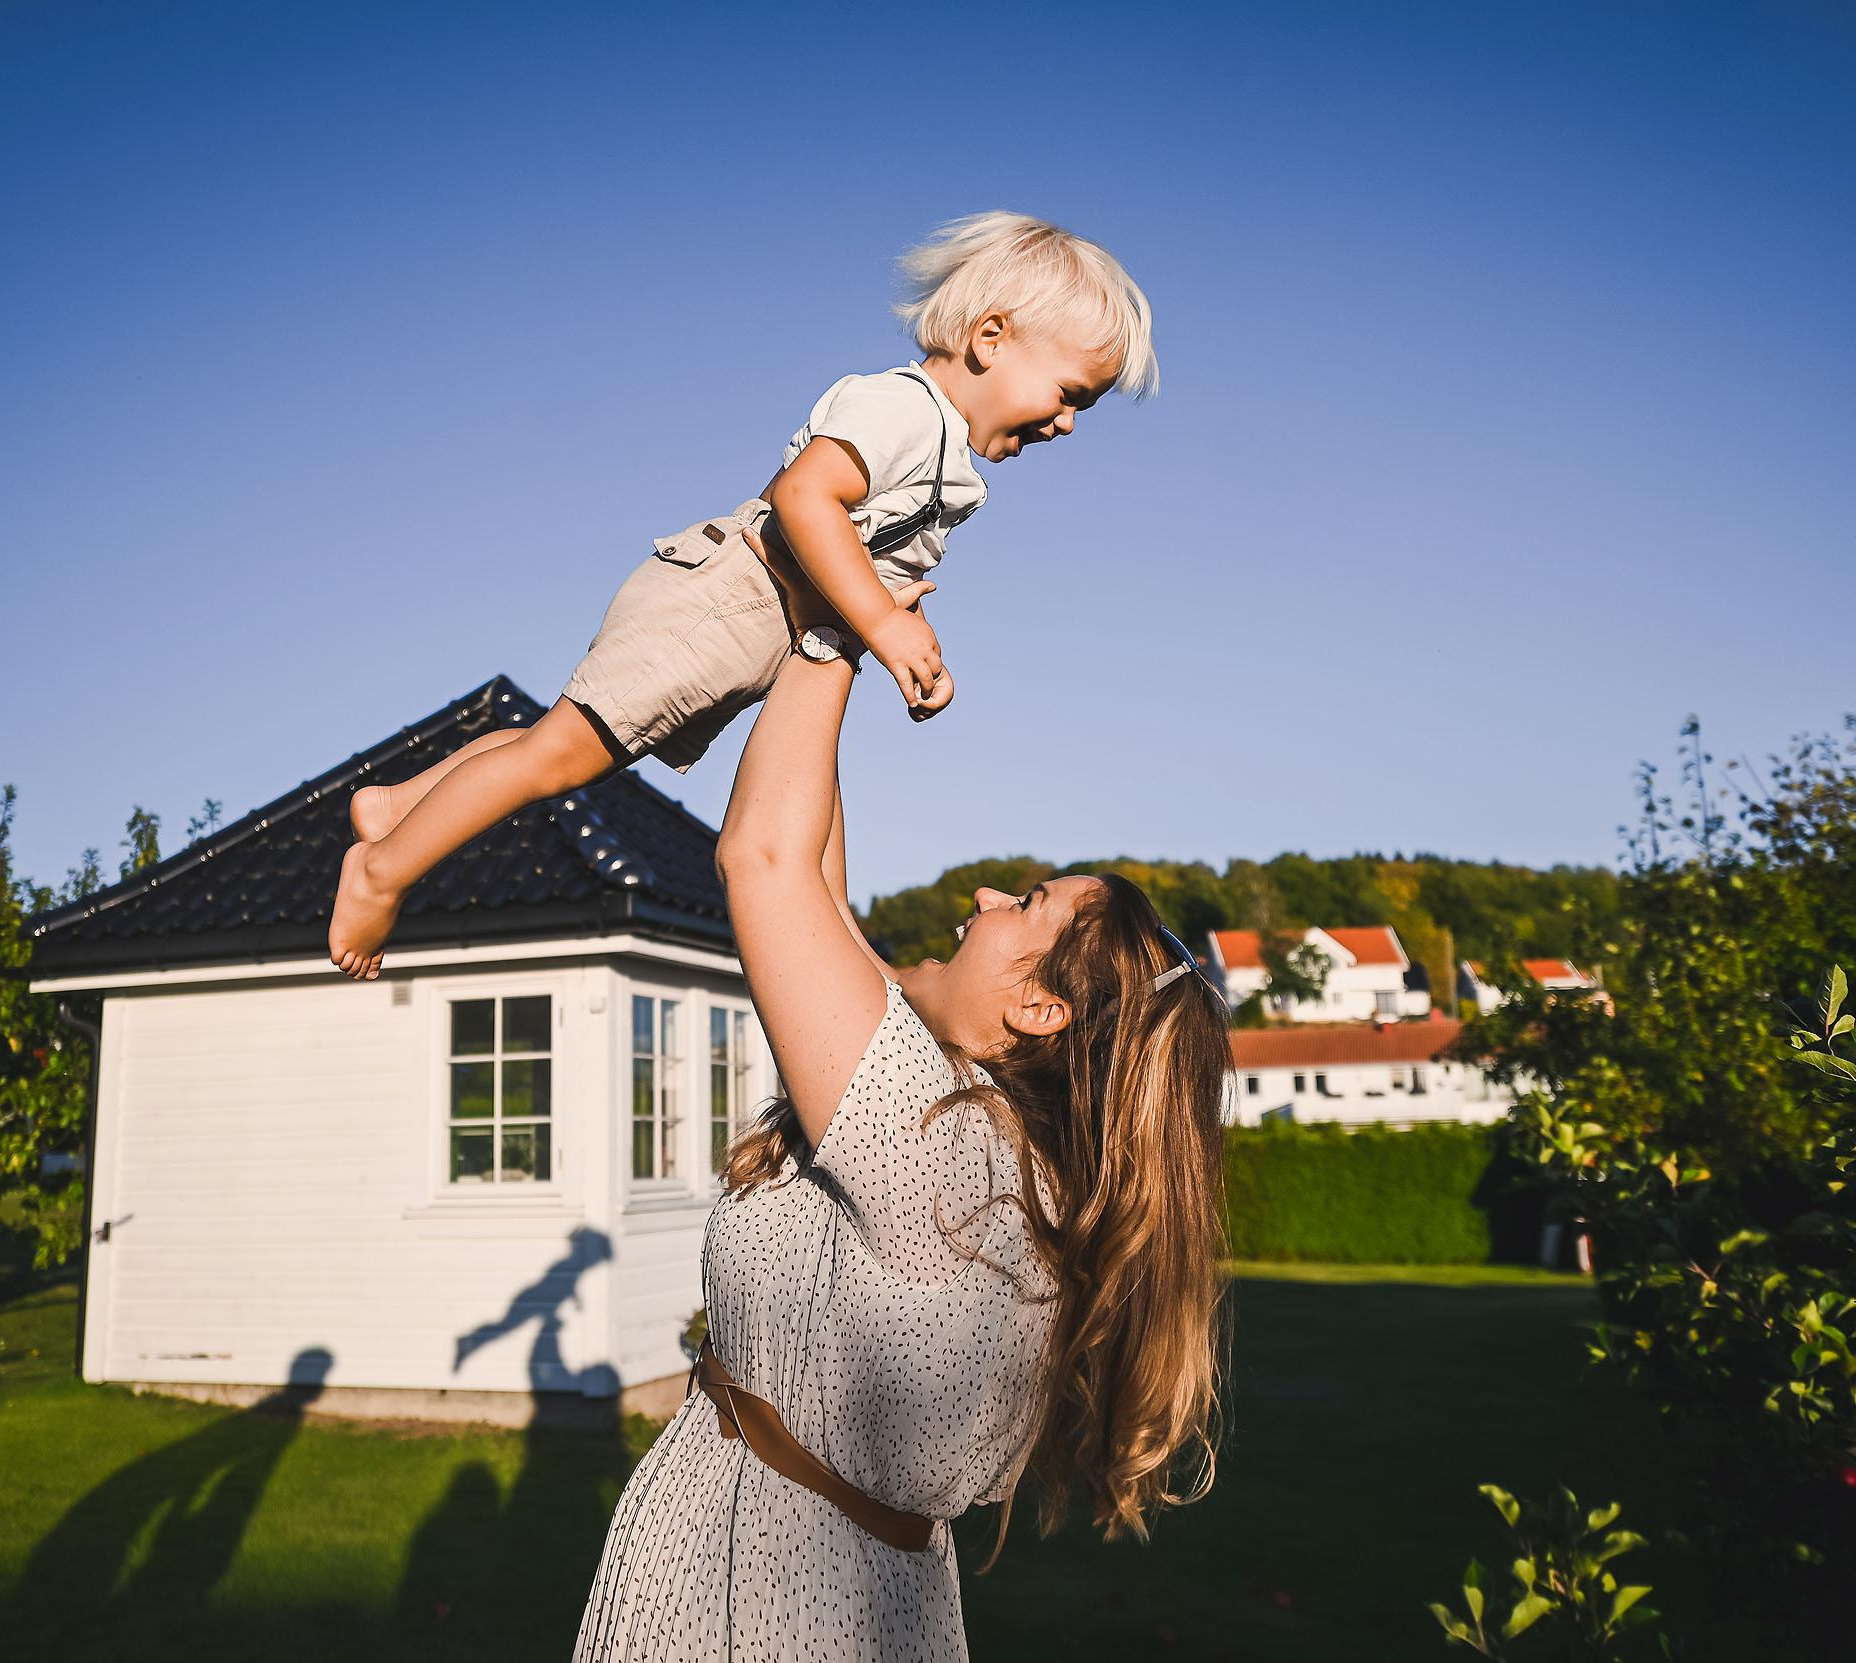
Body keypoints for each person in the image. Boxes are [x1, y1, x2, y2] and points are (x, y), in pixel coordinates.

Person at [570, 570, 1233, 1660]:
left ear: (1037, 1005)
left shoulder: (948, 1152)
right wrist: (832, 585)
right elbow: (818, 889)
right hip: (813, 1588)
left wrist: (831, 615)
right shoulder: (981, 1142)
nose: (982, 898)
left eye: (1021, 905)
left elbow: (765, 862)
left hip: (765, 1605)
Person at [327, 210, 1158, 978]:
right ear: (989, 338)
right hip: (729, 598)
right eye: (1069, 395)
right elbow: (802, 499)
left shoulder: (947, 459)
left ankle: (398, 804)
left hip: (753, 624)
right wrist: (880, 623)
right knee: (557, 758)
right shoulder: (904, 410)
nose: (1069, 424)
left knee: (569, 744)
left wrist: (911, 633)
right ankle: (382, 869)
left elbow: (874, 559)